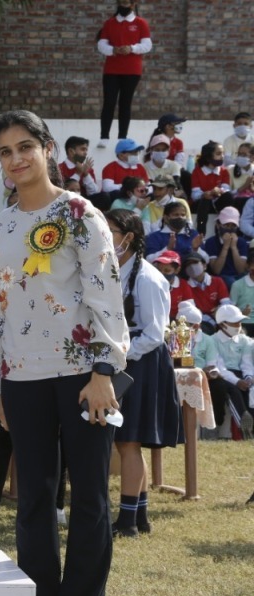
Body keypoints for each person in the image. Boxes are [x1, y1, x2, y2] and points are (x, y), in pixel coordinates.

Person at [0, 110, 129, 596]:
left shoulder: (78, 213)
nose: (17, 159)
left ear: (47, 149)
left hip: (81, 375)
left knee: (90, 495)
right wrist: (1, 382)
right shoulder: (0, 225)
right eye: (6, 152)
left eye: (26, 147)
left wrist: (103, 370)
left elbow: (104, 295)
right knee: (34, 499)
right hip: (22, 379)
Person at [105, 209, 181, 538]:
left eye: (110, 231)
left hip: (141, 360)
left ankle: (126, 521)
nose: (104, 237)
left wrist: (122, 355)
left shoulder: (149, 278)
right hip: (126, 357)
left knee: (128, 441)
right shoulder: (112, 270)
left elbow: (154, 333)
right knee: (128, 442)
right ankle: (139, 514)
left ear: (128, 238)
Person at [96, 0, 151, 147]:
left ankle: (122, 137)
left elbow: (147, 45)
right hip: (111, 69)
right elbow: (101, 44)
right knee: (109, 102)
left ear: (133, 5)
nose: (123, 6)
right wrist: (113, 50)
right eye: (121, 3)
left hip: (132, 70)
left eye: (126, 3)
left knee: (125, 103)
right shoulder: (109, 23)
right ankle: (104, 137)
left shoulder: (141, 23)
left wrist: (131, 48)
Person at [206, 304, 254, 439]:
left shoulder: (244, 340)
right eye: (234, 322)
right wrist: (238, 381)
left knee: (251, 387)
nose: (238, 325)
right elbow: (219, 367)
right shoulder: (212, 340)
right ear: (222, 324)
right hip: (222, 376)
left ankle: (249, 423)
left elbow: (247, 363)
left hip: (239, 374)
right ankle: (244, 426)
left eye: (239, 321)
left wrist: (249, 378)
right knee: (233, 390)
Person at [190, 141, 233, 234]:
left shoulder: (224, 171)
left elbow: (226, 189)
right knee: (206, 199)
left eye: (223, 153)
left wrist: (218, 191)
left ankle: (226, 228)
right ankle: (201, 233)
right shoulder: (197, 172)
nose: (222, 156)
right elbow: (195, 194)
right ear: (208, 156)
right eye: (218, 154)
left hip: (217, 201)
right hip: (201, 204)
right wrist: (207, 193)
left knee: (228, 196)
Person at [60, 136, 109, 210]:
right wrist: (78, 173)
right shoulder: (59, 168)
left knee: (104, 196)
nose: (85, 153)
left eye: (86, 150)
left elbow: (93, 192)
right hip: (66, 201)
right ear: (70, 151)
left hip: (85, 202)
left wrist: (86, 174)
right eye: (82, 149)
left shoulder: (88, 169)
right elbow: (62, 190)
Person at [204, 206, 248, 286]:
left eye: (233, 226)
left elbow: (241, 270)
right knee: (231, 282)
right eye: (226, 225)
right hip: (220, 277)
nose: (229, 228)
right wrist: (225, 247)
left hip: (239, 276)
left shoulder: (241, 242)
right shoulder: (211, 242)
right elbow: (216, 270)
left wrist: (234, 247)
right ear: (218, 225)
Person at [149, 250, 193, 320]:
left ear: (177, 270)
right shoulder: (151, 283)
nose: (161, 274)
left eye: (167, 271)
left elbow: (190, 309)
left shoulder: (183, 285)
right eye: (159, 270)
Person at [229, 251, 254, 335]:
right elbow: (232, 311)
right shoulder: (237, 285)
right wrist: (242, 314)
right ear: (249, 266)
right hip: (244, 323)